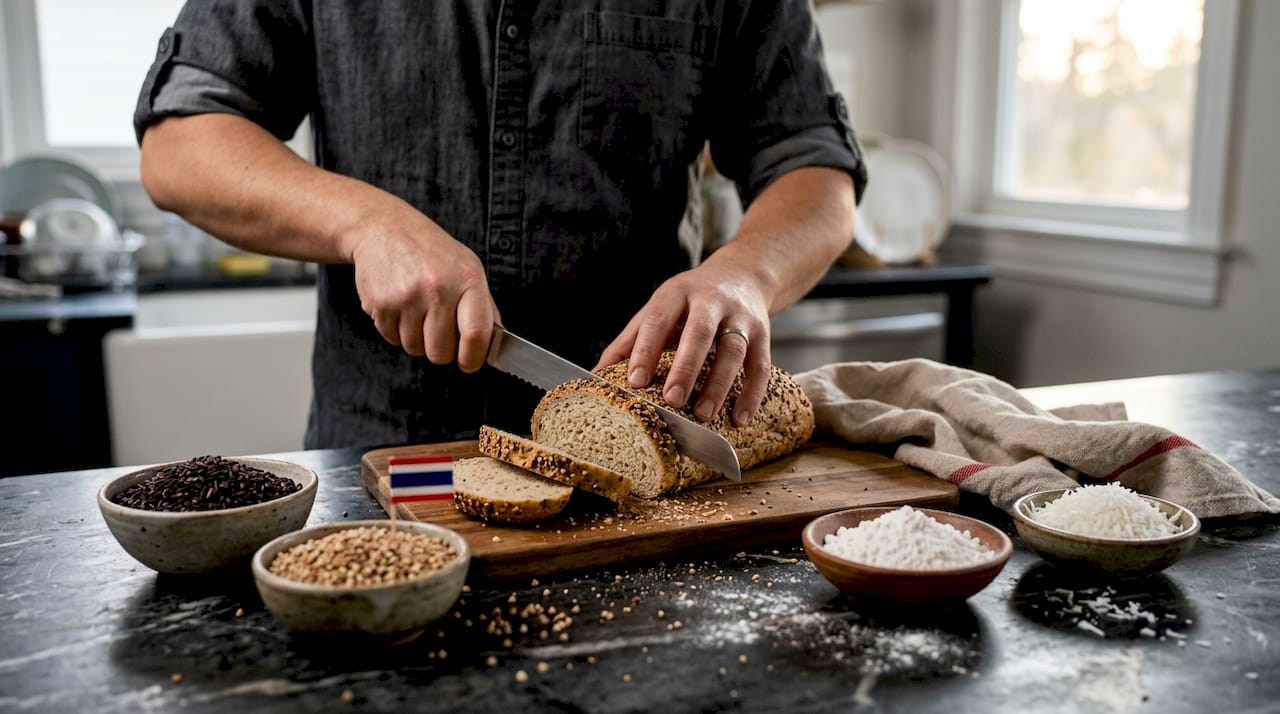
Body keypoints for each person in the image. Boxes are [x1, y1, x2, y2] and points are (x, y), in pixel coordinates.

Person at [134, 1, 867, 451]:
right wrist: (365, 222)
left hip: (644, 461)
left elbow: (814, 166)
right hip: (389, 459)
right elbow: (180, 144)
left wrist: (746, 274)